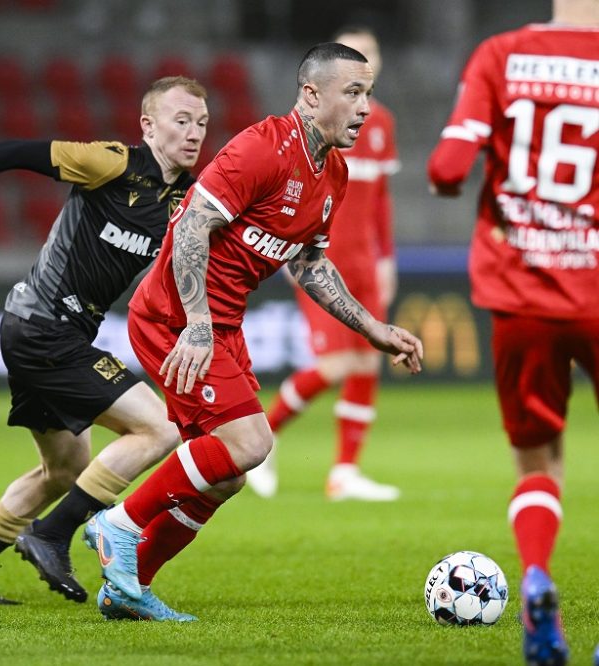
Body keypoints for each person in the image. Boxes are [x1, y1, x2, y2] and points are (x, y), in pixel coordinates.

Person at [84, 42, 424, 620]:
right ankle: (117, 523)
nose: (366, 107)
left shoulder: (332, 172)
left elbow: (309, 262)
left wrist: (372, 327)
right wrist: (196, 325)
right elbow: (192, 224)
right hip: (177, 315)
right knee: (252, 445)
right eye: (354, 93)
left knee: (227, 476)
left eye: (367, 93)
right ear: (312, 95)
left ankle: (128, 584)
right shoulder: (263, 148)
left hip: (224, 319)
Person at [0, 77, 209, 615]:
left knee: (66, 471)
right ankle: (52, 534)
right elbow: (8, 153)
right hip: (42, 327)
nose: (193, 133)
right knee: (160, 428)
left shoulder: (186, 199)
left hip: (48, 333)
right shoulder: (111, 164)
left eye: (201, 123)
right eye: (180, 119)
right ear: (148, 125)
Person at [428, 2, 597, 663]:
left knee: (539, 458)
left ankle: (535, 575)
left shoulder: (501, 55)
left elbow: (446, 170)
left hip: (522, 291)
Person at [247, 26, 402, 502]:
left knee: (366, 363)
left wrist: (386, 259)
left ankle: (345, 472)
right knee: (335, 364)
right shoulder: (321, 125)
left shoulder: (382, 123)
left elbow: (379, 202)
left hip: (364, 261)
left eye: (371, 57)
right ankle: (263, 441)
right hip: (321, 260)